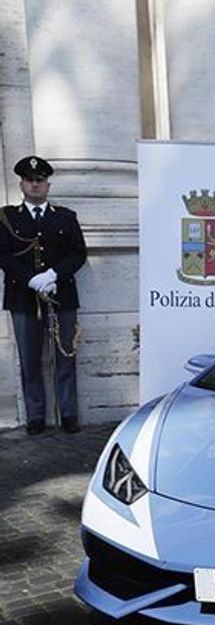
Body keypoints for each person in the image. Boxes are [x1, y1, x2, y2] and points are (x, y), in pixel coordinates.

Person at [0, 155, 86, 435]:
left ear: (48, 185)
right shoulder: (7, 217)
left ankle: (69, 414)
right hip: (23, 299)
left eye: (40, 180)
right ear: (21, 185)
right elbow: (3, 255)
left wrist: (52, 275)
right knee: (30, 359)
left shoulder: (66, 217)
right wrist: (31, 280)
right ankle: (35, 416)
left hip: (62, 296)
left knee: (66, 356)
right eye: (29, 180)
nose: (35, 185)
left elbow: (78, 253)